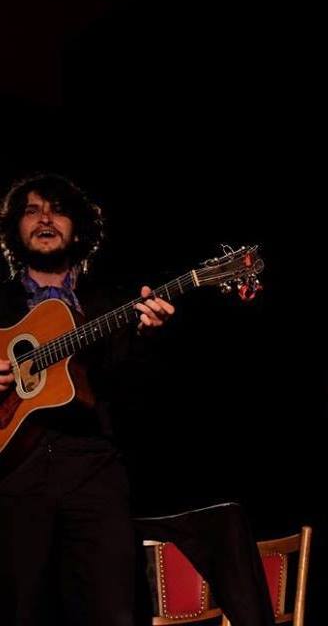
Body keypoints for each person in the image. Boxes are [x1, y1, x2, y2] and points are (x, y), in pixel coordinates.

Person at [0, 173, 276, 626]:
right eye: (32, 210)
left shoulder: (109, 302)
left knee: (113, 609)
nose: (45, 219)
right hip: (14, 472)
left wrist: (148, 338)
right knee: (20, 608)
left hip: (93, 465)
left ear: (78, 227)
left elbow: (139, 396)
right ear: (15, 227)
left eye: (57, 210)